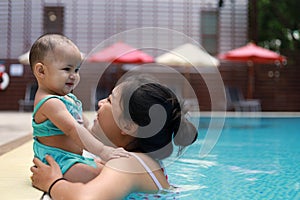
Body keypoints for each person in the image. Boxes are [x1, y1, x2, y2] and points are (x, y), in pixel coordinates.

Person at [30, 75, 198, 199]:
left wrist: (52, 183)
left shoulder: (126, 164)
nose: (100, 103)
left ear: (128, 125)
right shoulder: (140, 162)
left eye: (109, 101)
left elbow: (85, 199)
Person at [29, 33, 129, 183]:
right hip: (56, 162)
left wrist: (109, 145)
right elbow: (73, 129)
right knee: (100, 177)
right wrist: (102, 150)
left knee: (110, 169)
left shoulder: (68, 99)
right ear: (41, 71)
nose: (73, 76)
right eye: (67, 69)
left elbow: (85, 127)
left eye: (76, 70)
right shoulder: (49, 102)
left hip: (74, 158)